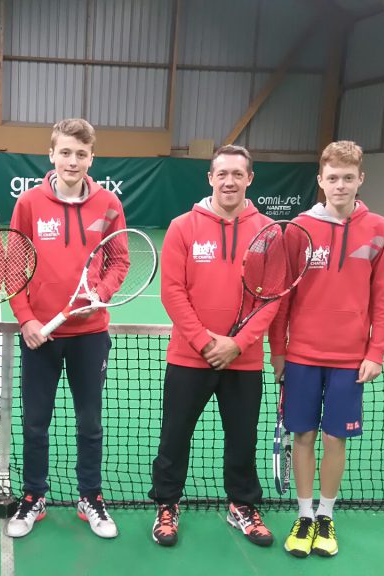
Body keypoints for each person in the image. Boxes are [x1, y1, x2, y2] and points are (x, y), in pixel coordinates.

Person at [269, 141, 384, 558]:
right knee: (302, 436)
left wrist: (376, 351)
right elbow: (283, 296)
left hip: (350, 360)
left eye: (347, 178)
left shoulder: (380, 230)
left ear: (361, 179)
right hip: (302, 355)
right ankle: (303, 515)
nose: (339, 185)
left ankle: (326, 515)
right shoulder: (298, 229)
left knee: (334, 439)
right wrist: (278, 351)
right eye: (332, 178)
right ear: (320, 180)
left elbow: (383, 296)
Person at [148, 145, 278, 548]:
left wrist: (237, 344)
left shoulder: (269, 230)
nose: (229, 181)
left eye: (237, 174)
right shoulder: (182, 227)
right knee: (174, 437)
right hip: (190, 357)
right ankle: (167, 505)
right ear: (210, 178)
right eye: (222, 173)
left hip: (244, 360)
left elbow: (273, 297)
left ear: (249, 179)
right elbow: (172, 292)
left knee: (242, 438)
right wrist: (205, 342)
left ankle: (242, 505)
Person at [6, 118, 126, 539]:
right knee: (35, 423)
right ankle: (33, 495)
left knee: (90, 422)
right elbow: (12, 265)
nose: (72, 161)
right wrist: (26, 319)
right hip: (41, 336)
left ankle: (90, 496)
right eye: (65, 152)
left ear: (91, 158)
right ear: (51, 154)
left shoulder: (109, 204)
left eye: (81, 154)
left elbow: (120, 260)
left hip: (90, 336)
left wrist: (102, 293)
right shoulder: (29, 204)